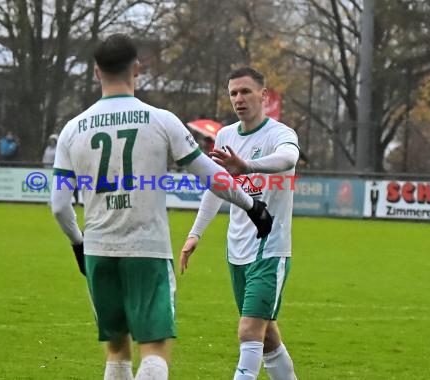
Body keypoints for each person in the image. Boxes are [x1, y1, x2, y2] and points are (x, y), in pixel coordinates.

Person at [50, 35, 272, 380]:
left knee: (116, 350)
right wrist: (251, 205)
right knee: (154, 351)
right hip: (147, 250)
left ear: (96, 72)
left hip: (98, 250)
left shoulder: (72, 129)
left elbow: (59, 205)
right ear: (137, 69)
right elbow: (211, 175)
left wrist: (79, 244)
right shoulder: (160, 120)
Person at [181, 67, 300, 380]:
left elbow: (288, 159)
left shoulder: (280, 134)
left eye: (246, 91)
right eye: (233, 93)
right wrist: (195, 233)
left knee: (249, 330)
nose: (239, 99)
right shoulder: (226, 135)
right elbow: (217, 187)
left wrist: (247, 166)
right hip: (237, 251)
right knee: (268, 336)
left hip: (269, 248)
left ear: (263, 95)